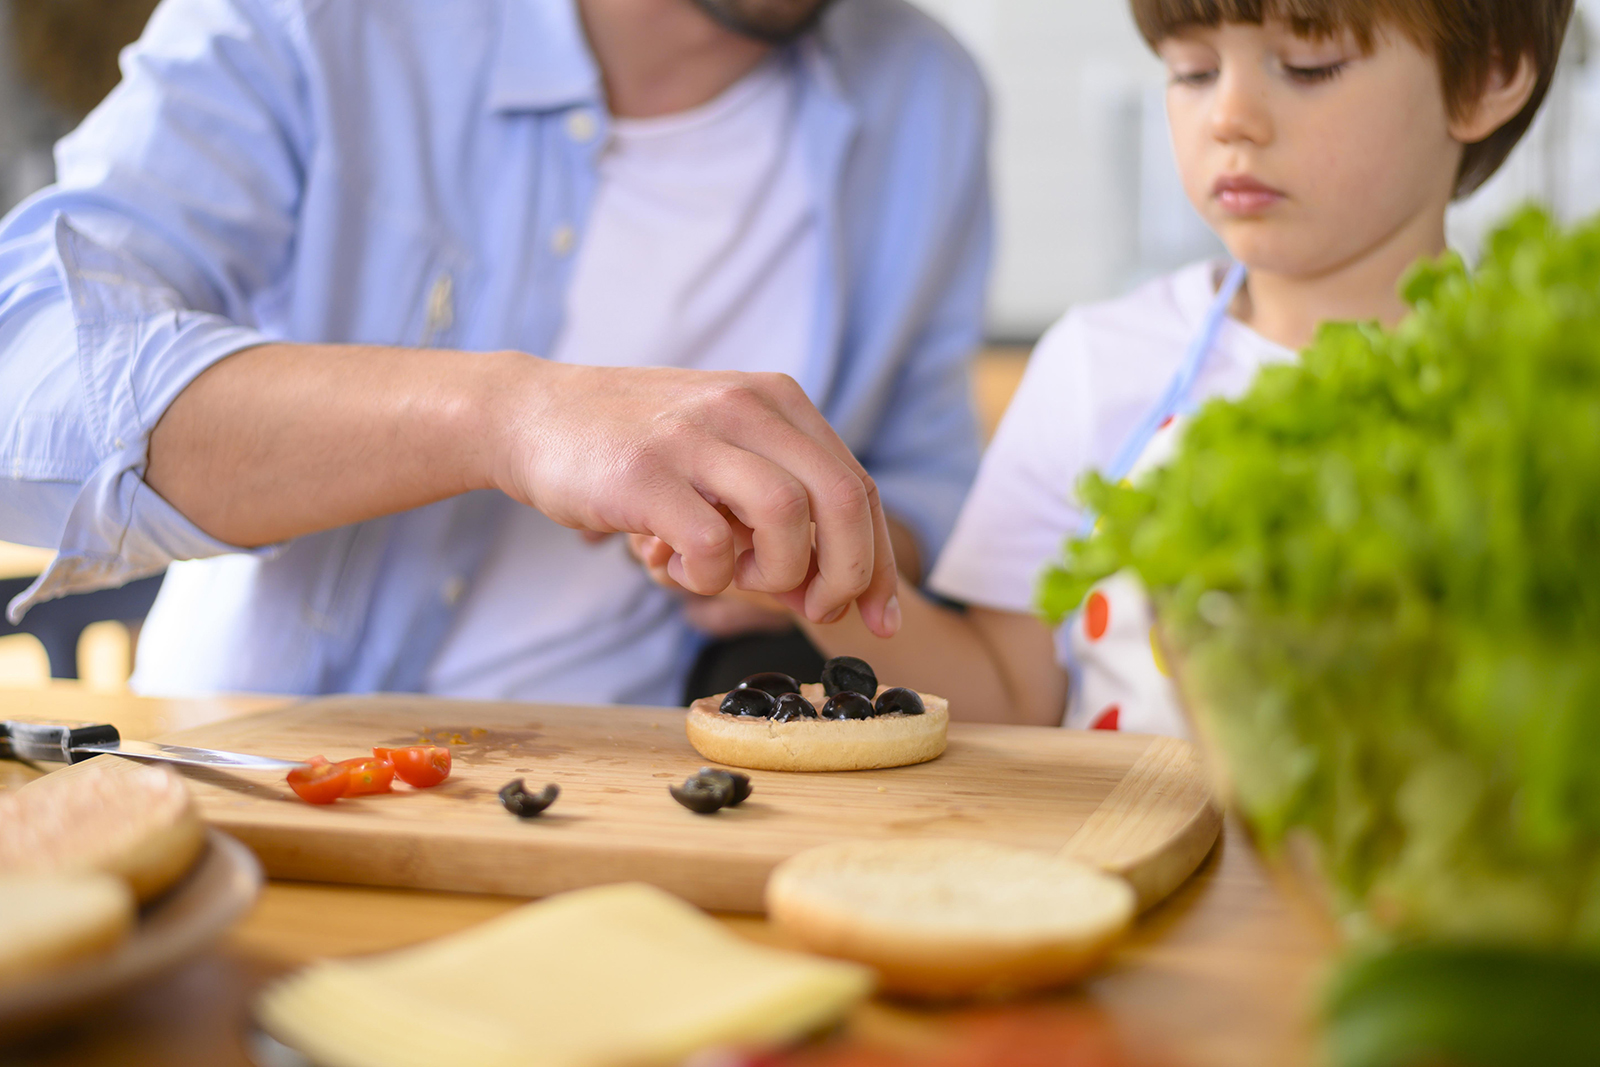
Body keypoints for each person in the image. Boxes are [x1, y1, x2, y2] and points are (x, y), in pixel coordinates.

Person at [0, 0, 991, 702]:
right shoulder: (314, 23)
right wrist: (508, 416)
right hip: (267, 770)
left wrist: (804, 529)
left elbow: (925, 497)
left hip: (643, 816)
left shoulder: (928, 95)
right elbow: (26, 369)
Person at [636, 0, 1573, 730]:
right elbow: (1007, 699)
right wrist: (810, 578)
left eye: (1308, 64)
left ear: (1487, 77)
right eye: (1193, 71)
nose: (1232, 117)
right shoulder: (1099, 362)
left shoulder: (1549, 385)